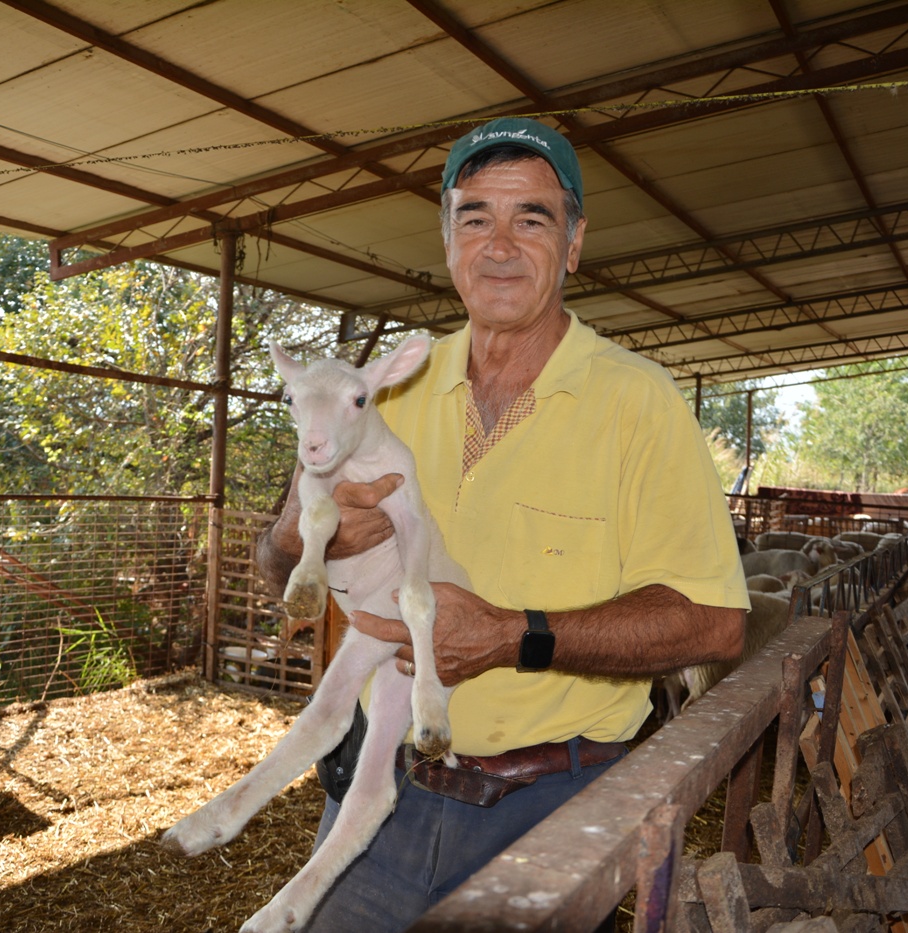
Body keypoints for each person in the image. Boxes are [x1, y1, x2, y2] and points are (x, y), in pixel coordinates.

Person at [255, 116, 750, 932]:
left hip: (550, 808)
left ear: (576, 241)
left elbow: (718, 623)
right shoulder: (380, 394)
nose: (498, 244)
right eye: (475, 216)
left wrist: (513, 635)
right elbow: (277, 573)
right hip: (378, 794)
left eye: (533, 217)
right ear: (447, 238)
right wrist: (295, 540)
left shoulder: (639, 403)